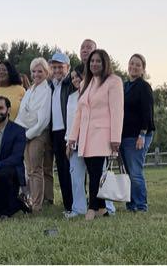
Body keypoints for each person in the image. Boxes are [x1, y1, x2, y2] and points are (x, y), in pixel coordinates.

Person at [68, 49, 124, 221]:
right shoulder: (86, 83)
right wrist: (72, 137)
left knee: (95, 173)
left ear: (105, 63)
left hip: (102, 135)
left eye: (98, 61)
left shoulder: (113, 82)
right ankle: (101, 208)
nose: (94, 64)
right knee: (93, 171)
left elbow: (117, 111)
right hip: (85, 136)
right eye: (91, 61)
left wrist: (116, 138)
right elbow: (79, 113)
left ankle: (91, 208)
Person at [14, 57, 52, 213]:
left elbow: (43, 120)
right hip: (24, 133)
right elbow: (22, 114)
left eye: (40, 71)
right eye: (34, 71)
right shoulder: (30, 91)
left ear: (46, 72)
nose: (36, 74)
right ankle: (33, 200)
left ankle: (37, 205)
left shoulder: (47, 91)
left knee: (36, 170)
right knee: (28, 169)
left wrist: (28, 135)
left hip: (38, 134)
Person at [121, 53, 155, 212]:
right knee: (128, 173)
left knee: (135, 172)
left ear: (142, 70)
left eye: (137, 65)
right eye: (131, 63)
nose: (133, 67)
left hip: (139, 135)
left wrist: (142, 134)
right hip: (125, 135)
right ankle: (131, 204)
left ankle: (141, 205)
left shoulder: (144, 86)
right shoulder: (125, 86)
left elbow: (147, 113)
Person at [48, 52, 75, 216]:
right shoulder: (51, 86)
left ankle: (76, 203)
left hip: (68, 131)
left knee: (73, 170)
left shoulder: (70, 84)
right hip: (55, 133)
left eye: (60, 67)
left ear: (68, 67)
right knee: (62, 171)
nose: (57, 70)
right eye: (54, 67)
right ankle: (68, 205)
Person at [64, 66, 88, 218]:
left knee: (99, 176)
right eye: (72, 77)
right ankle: (79, 208)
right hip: (75, 142)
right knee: (76, 177)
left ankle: (106, 207)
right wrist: (69, 142)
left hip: (93, 141)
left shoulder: (92, 93)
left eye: (77, 76)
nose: (75, 80)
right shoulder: (71, 97)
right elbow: (70, 121)